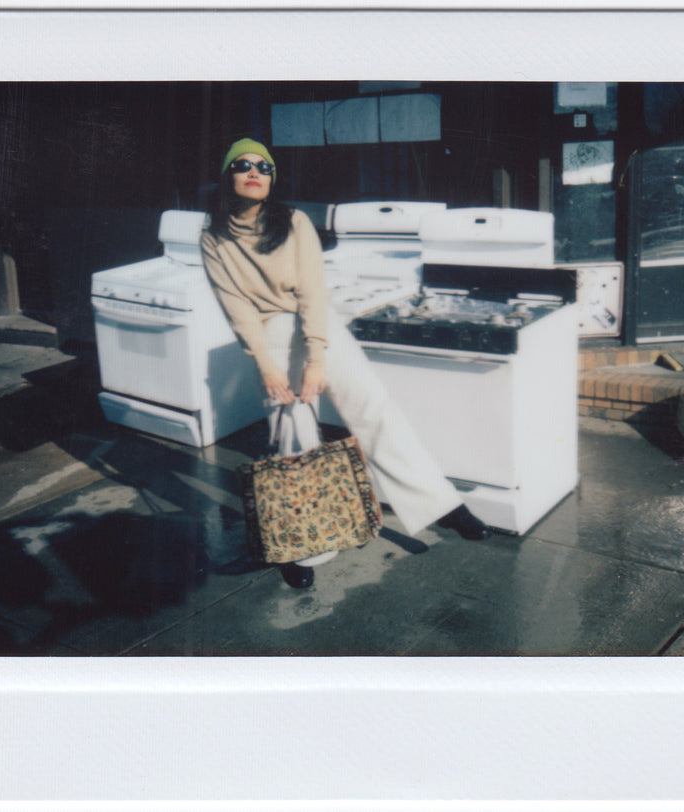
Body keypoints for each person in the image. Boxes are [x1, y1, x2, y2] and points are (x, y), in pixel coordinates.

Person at [200, 138, 492, 588]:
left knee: (374, 410)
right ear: (228, 175)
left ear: (273, 178)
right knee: (293, 434)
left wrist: (316, 357)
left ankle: (442, 506)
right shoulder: (213, 236)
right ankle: (300, 545)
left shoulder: (293, 221)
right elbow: (234, 305)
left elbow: (314, 291)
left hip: (318, 326)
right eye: (242, 164)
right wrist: (266, 365)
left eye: (264, 165)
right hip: (270, 337)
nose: (254, 171)